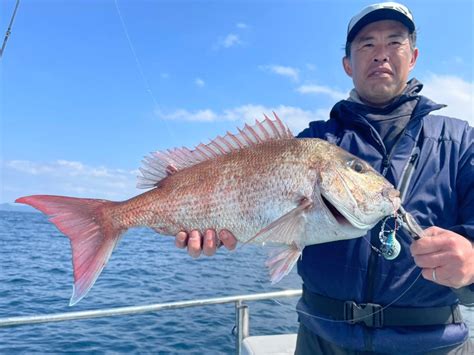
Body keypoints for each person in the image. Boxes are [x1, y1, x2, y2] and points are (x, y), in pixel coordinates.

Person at [174, 2, 474, 353]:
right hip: (321, 341)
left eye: (395, 42)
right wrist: (217, 229)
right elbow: (250, 206)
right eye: (366, 45)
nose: (381, 54)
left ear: (414, 56)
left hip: (434, 345)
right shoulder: (313, 141)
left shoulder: (462, 143)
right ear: (347, 64)